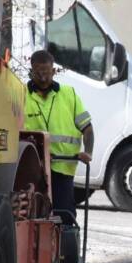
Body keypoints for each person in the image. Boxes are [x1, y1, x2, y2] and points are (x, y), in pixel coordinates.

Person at [24, 50, 94, 221]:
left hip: (62, 169)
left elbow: (88, 129)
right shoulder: (21, 96)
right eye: (38, 73)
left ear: (54, 71)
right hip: (33, 172)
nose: (42, 78)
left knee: (64, 217)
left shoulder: (69, 94)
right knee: (34, 216)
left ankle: (65, 245)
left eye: (46, 73)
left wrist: (88, 152)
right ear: (31, 71)